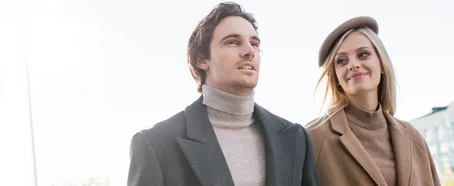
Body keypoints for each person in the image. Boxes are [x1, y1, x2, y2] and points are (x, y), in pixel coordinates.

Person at [127, 2, 319, 186]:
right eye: (233, 42)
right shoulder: (155, 144)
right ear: (202, 59)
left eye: (254, 43)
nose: (249, 51)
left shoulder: (295, 137)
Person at [305, 16, 440, 186]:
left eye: (363, 54)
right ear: (336, 77)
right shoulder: (312, 138)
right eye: (342, 61)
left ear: (382, 64)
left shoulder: (414, 139)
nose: (353, 65)